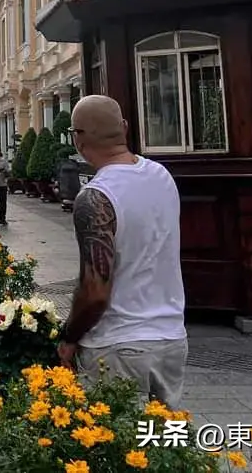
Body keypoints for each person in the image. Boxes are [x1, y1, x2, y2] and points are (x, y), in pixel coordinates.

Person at [56, 95, 187, 408]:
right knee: (162, 447)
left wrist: (69, 337)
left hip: (117, 345)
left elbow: (95, 291)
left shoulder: (95, 197)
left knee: (114, 449)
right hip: (171, 338)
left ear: (78, 139)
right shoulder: (161, 176)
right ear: (124, 128)